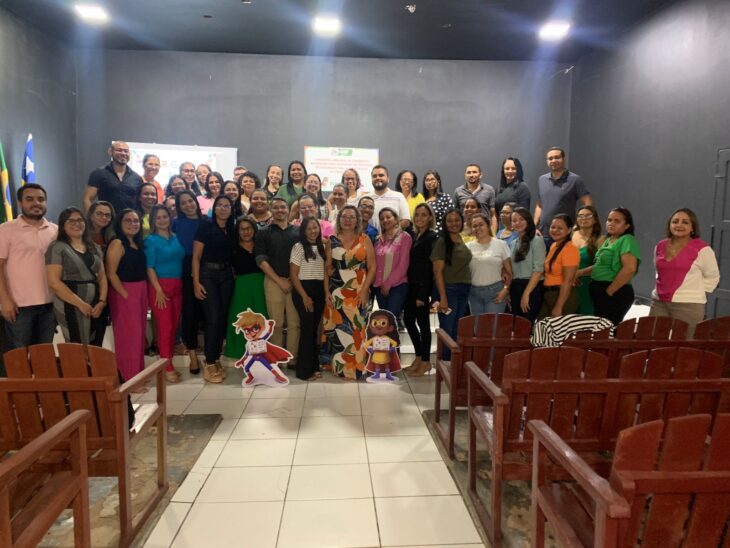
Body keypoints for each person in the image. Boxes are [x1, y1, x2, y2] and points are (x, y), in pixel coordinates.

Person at [0, 184, 58, 356]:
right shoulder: (6, 229)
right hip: (19, 306)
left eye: (41, 199)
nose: (36, 203)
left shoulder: (55, 230)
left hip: (50, 305)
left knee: (44, 356)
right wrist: (5, 300)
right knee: (18, 357)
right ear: (20, 203)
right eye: (30, 199)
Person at [322, 206, 376, 380]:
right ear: (339, 219)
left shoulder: (365, 239)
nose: (347, 220)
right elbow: (327, 268)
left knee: (357, 329)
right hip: (337, 291)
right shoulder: (331, 240)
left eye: (351, 217)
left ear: (357, 220)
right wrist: (326, 291)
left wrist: (365, 290)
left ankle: (357, 368)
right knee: (338, 329)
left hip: (358, 290)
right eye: (344, 217)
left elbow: (372, 267)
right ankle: (340, 368)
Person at [650, 208, 720, 336]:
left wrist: (694, 292)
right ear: (670, 225)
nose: (679, 225)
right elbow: (658, 271)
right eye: (675, 221)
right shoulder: (660, 245)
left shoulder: (703, 249)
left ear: (693, 227)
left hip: (689, 306)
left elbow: (713, 277)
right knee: (654, 341)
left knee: (684, 344)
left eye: (685, 222)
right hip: (659, 303)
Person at [45, 207, 106, 346]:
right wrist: (80, 304)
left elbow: (102, 277)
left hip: (96, 306)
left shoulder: (94, 247)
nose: (76, 223)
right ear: (62, 225)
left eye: (79, 220)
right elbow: (54, 282)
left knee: (96, 346)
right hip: (71, 306)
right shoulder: (57, 247)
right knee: (77, 347)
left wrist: (102, 302)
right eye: (70, 220)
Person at [192, 195, 235, 383]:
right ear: (214, 208)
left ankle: (215, 358)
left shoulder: (231, 228)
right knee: (213, 318)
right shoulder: (205, 226)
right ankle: (209, 362)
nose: (223, 208)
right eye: (220, 205)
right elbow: (196, 257)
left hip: (226, 276)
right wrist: (196, 282)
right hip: (208, 275)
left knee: (222, 318)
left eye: (227, 206)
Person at [255, 197, 300, 367]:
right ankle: (277, 360)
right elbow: (260, 259)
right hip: (273, 281)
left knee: (295, 323)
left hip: (295, 282)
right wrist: (279, 281)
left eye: (283, 207)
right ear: (271, 210)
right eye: (276, 207)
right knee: (276, 323)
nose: (280, 210)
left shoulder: (298, 232)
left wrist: (293, 280)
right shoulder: (263, 232)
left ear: (288, 210)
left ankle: (293, 359)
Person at [144, 204, 186, 383]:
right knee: (165, 329)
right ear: (153, 221)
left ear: (170, 217)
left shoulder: (176, 237)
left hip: (177, 286)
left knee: (174, 328)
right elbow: (150, 267)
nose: (162, 220)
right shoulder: (150, 240)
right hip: (160, 288)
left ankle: (169, 363)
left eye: (165, 216)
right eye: (158, 218)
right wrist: (158, 290)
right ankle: (166, 367)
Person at [106, 209, 147, 383]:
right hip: (124, 292)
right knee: (128, 337)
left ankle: (138, 373)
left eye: (136, 221)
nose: (132, 224)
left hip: (140, 291)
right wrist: (125, 294)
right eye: (128, 221)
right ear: (119, 223)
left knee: (139, 335)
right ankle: (129, 379)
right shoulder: (117, 243)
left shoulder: (136, 243)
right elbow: (111, 273)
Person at [225, 217, 268, 360]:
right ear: (237, 231)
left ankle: (262, 351)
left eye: (249, 228)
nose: (246, 232)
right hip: (241, 287)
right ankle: (239, 351)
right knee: (240, 317)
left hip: (261, 284)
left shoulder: (261, 245)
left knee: (262, 316)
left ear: (254, 229)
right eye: (242, 229)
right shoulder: (233, 248)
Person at [290, 217, 327, 381]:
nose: (313, 231)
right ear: (303, 231)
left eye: (315, 228)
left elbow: (325, 271)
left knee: (313, 330)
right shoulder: (298, 247)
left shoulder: (323, 246)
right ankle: (303, 372)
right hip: (303, 290)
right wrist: (304, 296)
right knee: (307, 329)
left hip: (319, 290)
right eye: (309, 228)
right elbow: (293, 275)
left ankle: (314, 366)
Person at [432, 209, 472, 359]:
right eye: (450, 221)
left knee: (456, 330)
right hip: (449, 290)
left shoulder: (461, 239)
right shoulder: (442, 242)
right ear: (444, 223)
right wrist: (443, 297)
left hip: (464, 290)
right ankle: (445, 363)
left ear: (462, 221)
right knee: (447, 330)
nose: (454, 223)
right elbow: (437, 272)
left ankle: (452, 364)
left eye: (457, 220)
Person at [590, 207, 641, 325]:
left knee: (608, 329)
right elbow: (600, 266)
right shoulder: (608, 240)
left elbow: (630, 269)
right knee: (600, 329)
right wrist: (579, 273)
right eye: (609, 220)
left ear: (627, 225)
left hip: (615, 291)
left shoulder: (627, 239)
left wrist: (609, 291)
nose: (611, 223)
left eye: (617, 221)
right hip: (600, 290)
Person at [173, 190, 205, 374]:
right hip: (184, 269)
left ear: (196, 201)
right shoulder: (175, 223)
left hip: (206, 267)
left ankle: (212, 354)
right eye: (183, 203)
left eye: (190, 201)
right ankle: (192, 355)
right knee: (189, 312)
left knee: (209, 313)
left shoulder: (207, 221)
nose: (188, 205)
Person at [404, 203, 438, 377]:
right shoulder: (416, 235)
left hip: (421, 288)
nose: (420, 218)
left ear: (430, 217)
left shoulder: (432, 237)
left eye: (424, 215)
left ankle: (425, 361)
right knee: (408, 320)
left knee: (423, 325)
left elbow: (429, 267)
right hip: (412, 285)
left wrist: (423, 294)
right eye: (417, 215)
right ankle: (418, 357)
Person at [534, 148, 592, 242]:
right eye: (550, 158)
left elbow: (588, 203)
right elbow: (539, 206)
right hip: (543, 234)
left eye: (557, 157)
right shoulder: (542, 179)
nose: (553, 160)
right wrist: (534, 226)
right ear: (547, 161)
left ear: (564, 159)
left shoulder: (575, 180)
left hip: (565, 235)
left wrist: (579, 225)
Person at [467, 213, 512, 315]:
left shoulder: (501, 244)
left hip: (495, 292)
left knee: (492, 324)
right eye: (474, 226)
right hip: (474, 294)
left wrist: (506, 290)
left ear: (488, 225)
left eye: (481, 224)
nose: (478, 228)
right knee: (477, 324)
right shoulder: (468, 247)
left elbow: (509, 271)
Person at [538, 214, 580, 320]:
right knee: (541, 326)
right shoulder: (554, 245)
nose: (555, 230)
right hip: (549, 294)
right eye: (553, 227)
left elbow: (568, 281)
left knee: (558, 329)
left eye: (560, 228)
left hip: (561, 297)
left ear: (569, 230)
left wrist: (559, 306)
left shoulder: (570, 249)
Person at [83, 141, 143, 214]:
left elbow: (140, 203)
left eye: (126, 151)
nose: (123, 153)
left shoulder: (137, 178)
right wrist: (91, 218)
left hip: (128, 220)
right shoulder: (99, 173)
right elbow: (87, 199)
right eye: (119, 150)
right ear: (110, 152)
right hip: (106, 219)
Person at [509, 207, 546, 322]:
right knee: (516, 325)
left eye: (521, 219)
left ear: (528, 220)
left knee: (527, 324)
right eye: (514, 220)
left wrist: (526, 293)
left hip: (531, 287)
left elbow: (538, 270)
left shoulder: (537, 240)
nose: (518, 223)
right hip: (515, 287)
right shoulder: (513, 243)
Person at [374, 207, 412, 317]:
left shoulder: (404, 237)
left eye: (388, 217)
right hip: (379, 287)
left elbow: (403, 265)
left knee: (391, 319)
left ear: (396, 219)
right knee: (384, 321)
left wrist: (387, 284)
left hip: (397, 286)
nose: (385, 220)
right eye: (382, 219)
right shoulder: (378, 240)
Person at [571, 205, 604, 315]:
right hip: (566, 282)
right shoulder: (570, 234)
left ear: (595, 219)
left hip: (586, 284)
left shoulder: (600, 239)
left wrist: (579, 273)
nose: (584, 218)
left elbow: (601, 265)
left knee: (584, 317)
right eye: (580, 216)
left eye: (588, 216)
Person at [452, 164, 497, 231]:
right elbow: (455, 215)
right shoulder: (458, 191)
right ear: (465, 175)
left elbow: (493, 215)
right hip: (465, 232)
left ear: (480, 174)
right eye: (469, 172)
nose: (471, 175)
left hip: (485, 231)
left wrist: (493, 232)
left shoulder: (489, 190)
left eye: (474, 172)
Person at [369, 165, 411, 231]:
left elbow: (406, 221)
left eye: (381, 175)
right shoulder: (365, 198)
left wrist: (389, 233)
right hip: (368, 237)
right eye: (374, 176)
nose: (377, 178)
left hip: (393, 237)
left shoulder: (399, 196)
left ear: (388, 178)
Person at [421, 169, 455, 234]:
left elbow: (451, 217)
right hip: (425, 234)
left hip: (441, 235)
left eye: (432, 179)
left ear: (438, 181)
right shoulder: (421, 199)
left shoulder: (445, 197)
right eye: (427, 180)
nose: (429, 182)